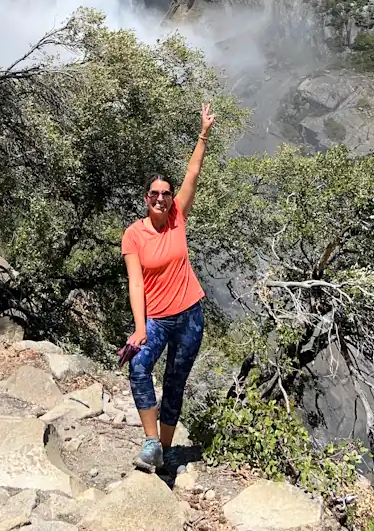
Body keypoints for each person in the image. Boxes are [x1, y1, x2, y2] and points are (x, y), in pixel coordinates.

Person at [121, 102, 215, 473]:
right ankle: (149, 442)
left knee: (176, 383)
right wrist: (141, 328)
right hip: (158, 319)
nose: (161, 198)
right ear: (146, 199)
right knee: (140, 367)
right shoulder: (134, 234)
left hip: (190, 315)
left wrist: (203, 132)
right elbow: (135, 281)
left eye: (166, 193)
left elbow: (193, 172)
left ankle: (162, 452)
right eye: (154, 194)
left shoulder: (178, 217)